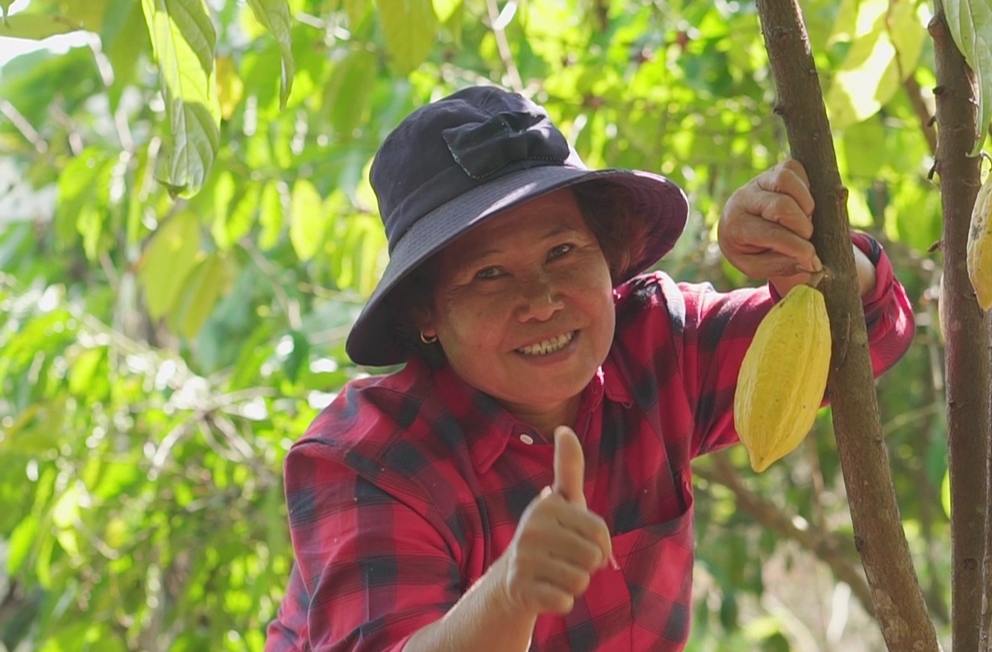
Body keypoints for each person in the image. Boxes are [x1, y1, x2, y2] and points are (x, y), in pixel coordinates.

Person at [265, 85, 915, 651]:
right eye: (489, 273)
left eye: (563, 250)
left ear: (607, 255)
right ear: (425, 314)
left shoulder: (655, 342)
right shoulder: (367, 459)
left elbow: (867, 338)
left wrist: (805, 253)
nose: (543, 300)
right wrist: (509, 595)